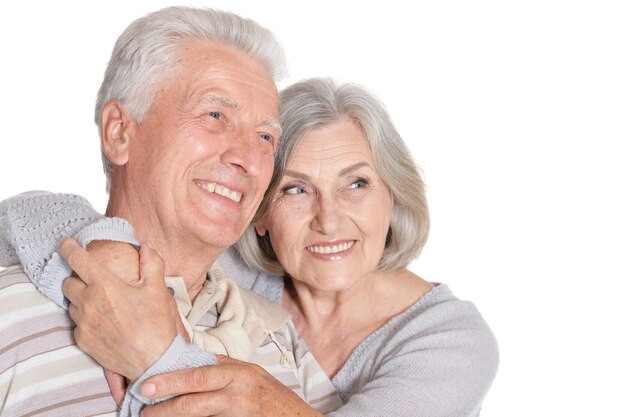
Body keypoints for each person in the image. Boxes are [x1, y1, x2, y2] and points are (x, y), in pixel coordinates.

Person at [2, 78, 499, 416]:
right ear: (258, 210)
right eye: (296, 189)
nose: (328, 220)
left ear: (394, 195)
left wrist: (258, 398)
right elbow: (19, 222)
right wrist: (109, 246)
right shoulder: (241, 275)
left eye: (357, 185)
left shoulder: (450, 340)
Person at [0, 6, 343, 417]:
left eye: (266, 136)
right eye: (215, 115)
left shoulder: (280, 339)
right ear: (119, 132)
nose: (249, 159)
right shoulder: (11, 316)